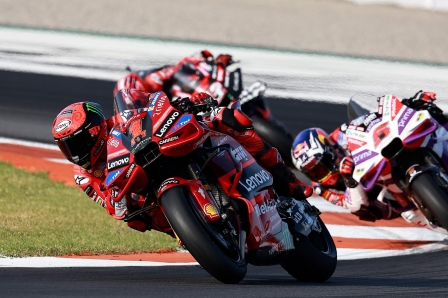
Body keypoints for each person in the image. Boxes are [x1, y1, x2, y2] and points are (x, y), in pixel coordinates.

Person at [52, 89, 312, 232]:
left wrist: (186, 104)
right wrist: (117, 201)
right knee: (138, 220)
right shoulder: (82, 174)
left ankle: (287, 181)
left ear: (96, 129)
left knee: (231, 119)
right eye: (66, 147)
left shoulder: (119, 121)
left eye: (77, 143)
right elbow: (111, 206)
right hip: (144, 189)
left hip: (165, 148)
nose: (74, 153)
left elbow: (152, 110)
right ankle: (191, 232)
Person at [291, 91, 448, 225]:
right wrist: (350, 180)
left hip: (383, 160)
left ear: (329, 151)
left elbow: (370, 124)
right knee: (392, 212)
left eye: (319, 167)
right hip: (378, 192)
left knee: (428, 113)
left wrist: (404, 107)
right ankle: (438, 213)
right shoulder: (322, 187)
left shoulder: (341, 136)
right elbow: (352, 206)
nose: (320, 174)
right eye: (312, 171)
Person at [113, 49, 239, 104]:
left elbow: (178, 68)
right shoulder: (134, 113)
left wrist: (203, 60)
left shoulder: (153, 79)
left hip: (186, 97)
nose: (138, 102)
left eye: (137, 98)